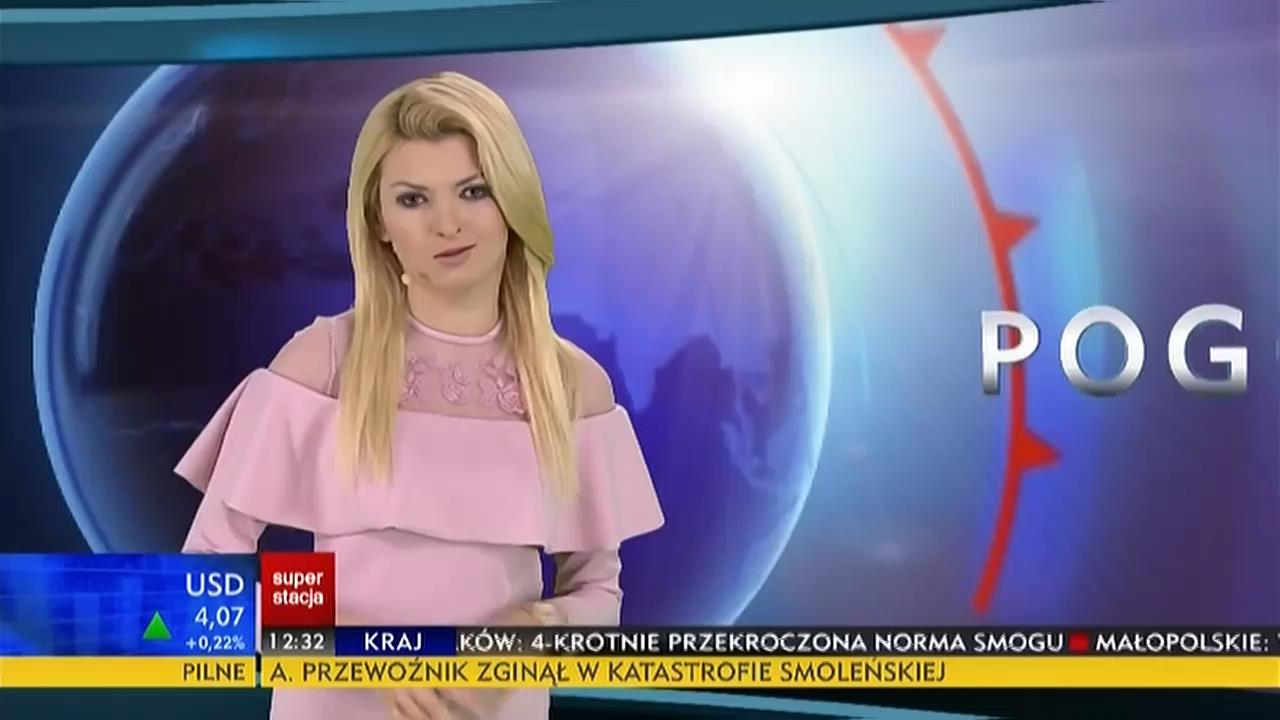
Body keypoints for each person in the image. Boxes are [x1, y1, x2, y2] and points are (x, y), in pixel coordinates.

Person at [175, 71, 665, 719]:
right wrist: (359, 646)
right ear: (379, 222)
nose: (447, 224)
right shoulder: (321, 364)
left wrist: (529, 630)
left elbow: (598, 594)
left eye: (473, 191)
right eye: (413, 200)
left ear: (511, 200)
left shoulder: (573, 385)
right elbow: (209, 575)